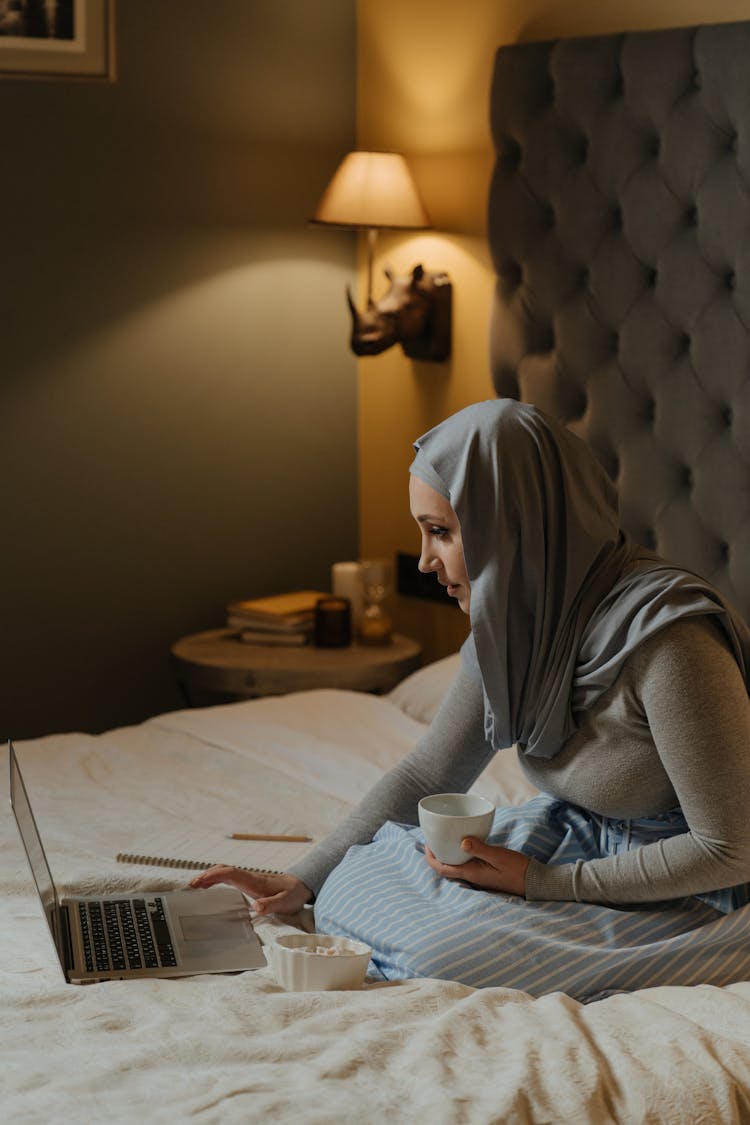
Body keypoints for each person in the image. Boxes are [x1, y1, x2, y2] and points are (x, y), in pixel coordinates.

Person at [191, 400, 750, 1000]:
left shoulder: (670, 641)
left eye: (441, 533)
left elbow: (730, 848)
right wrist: (301, 879)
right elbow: (427, 772)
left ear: (515, 523)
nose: (427, 561)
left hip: (692, 880)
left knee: (442, 954)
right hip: (579, 839)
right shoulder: (517, 624)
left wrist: (545, 882)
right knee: (354, 878)